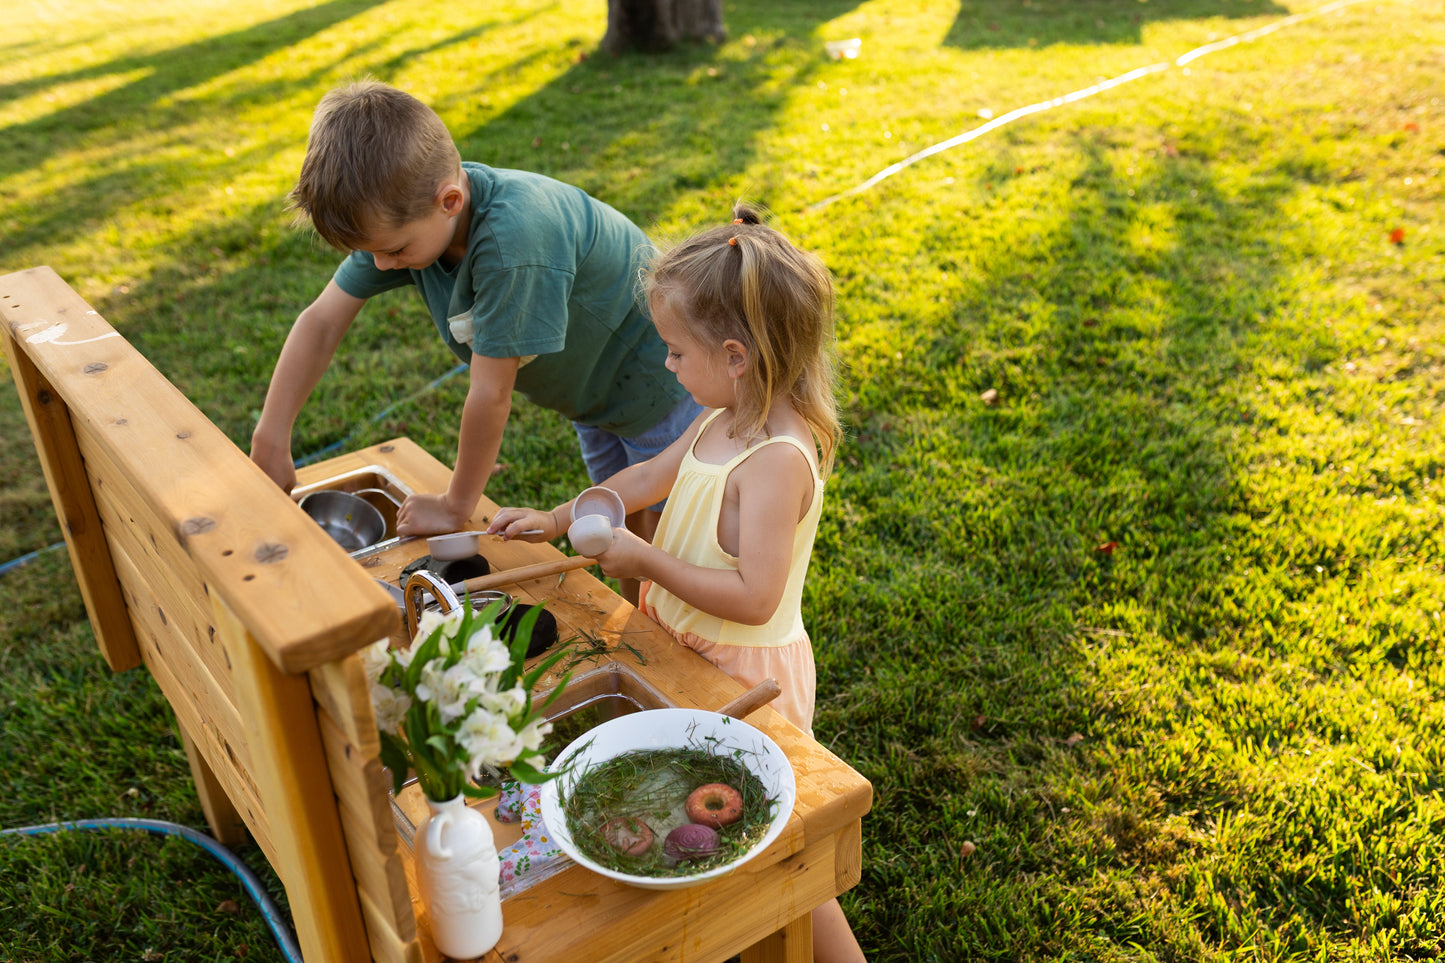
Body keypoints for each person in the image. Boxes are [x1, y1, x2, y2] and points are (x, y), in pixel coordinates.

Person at [488, 206, 866, 962]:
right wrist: (561, 515)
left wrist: (646, 558)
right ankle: (721, 928)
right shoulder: (716, 416)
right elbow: (645, 476)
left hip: (745, 670)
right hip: (684, 649)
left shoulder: (774, 461)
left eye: (673, 351)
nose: (665, 366)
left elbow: (756, 596)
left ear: (733, 355)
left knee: (784, 841)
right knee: (699, 805)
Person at [249, 80, 698, 600]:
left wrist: (456, 505)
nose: (380, 265)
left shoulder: (513, 243)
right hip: (597, 398)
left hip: (664, 383)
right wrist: (271, 435)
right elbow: (322, 321)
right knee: (612, 529)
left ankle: (695, 656)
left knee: (679, 544)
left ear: (450, 200)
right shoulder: (408, 217)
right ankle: (639, 624)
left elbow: (490, 394)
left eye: (392, 250)